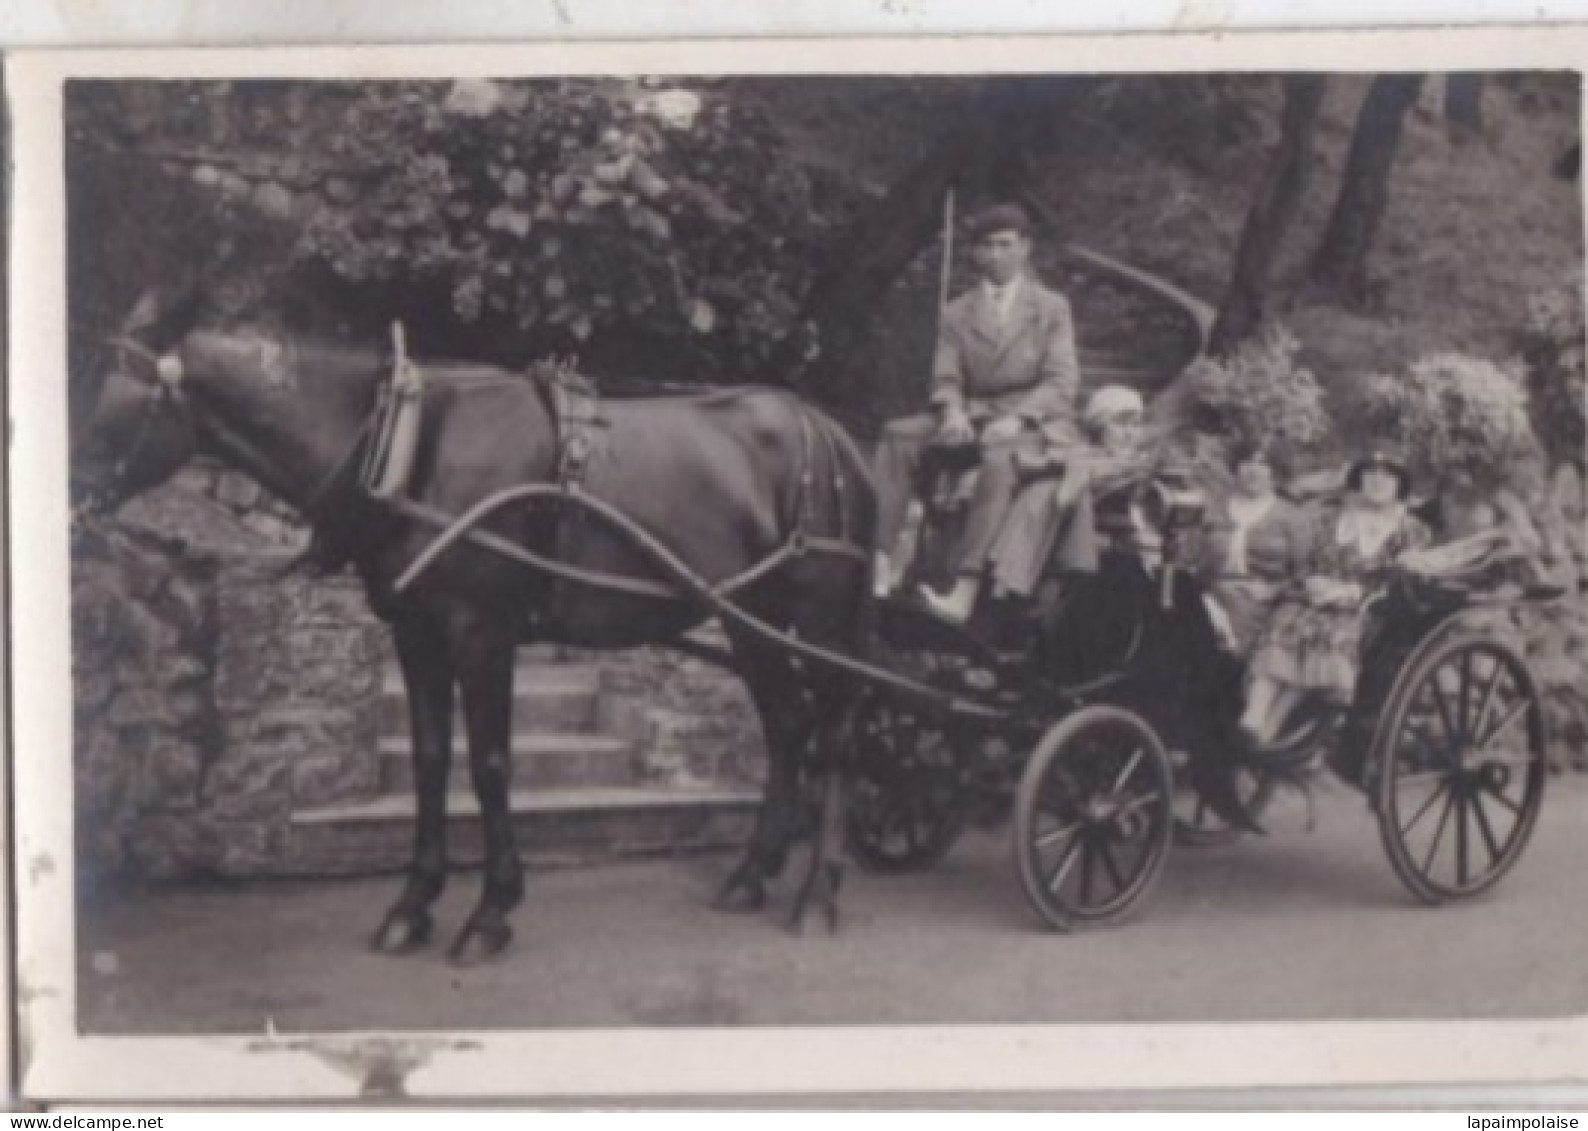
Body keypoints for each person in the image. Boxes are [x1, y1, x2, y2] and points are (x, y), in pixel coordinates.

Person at [872, 202, 1082, 617]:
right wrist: (952, 412)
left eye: (1005, 245)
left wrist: (1018, 418)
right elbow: (946, 378)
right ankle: (879, 563)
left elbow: (1062, 381)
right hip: (971, 413)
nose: (995, 255)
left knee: (999, 460)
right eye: (985, 246)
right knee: (897, 435)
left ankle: (963, 590)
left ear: (1025, 248)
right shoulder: (956, 312)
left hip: (1031, 422)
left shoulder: (1051, 308)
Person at [1239, 443, 1431, 746]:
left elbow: (1400, 581)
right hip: (1312, 599)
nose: (1378, 481)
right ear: (1359, 479)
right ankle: (1253, 716)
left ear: (1400, 484)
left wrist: (1355, 591)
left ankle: (1268, 729)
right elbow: (1304, 561)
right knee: (1287, 622)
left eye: (1387, 475)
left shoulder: (1410, 531)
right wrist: (1313, 581)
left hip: (1364, 610)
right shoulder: (1331, 519)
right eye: (1370, 473)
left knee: (1325, 634)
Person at [983, 384, 1147, 604]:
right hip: (1071, 548)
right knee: (1046, 489)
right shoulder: (1082, 456)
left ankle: (1010, 581)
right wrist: (1079, 471)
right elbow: (1062, 496)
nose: (1130, 433)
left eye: (1136, 425)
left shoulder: (1142, 464)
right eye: (1121, 424)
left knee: (1049, 490)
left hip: (1119, 553)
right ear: (1099, 426)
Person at [1195, 438, 1312, 657]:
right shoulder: (1213, 508)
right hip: (1210, 595)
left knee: (1225, 645)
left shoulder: (1292, 517)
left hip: (1259, 601)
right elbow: (1193, 557)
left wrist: (1273, 590)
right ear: (1235, 468)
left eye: (1263, 464)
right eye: (1247, 462)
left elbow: (1304, 576)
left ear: (1275, 472)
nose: (1254, 471)